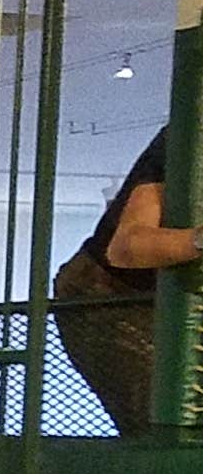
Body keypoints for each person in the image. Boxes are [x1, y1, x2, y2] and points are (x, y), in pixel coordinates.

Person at [54, 123, 203, 436]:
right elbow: (126, 248)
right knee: (168, 430)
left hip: (169, 298)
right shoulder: (190, 140)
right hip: (105, 295)